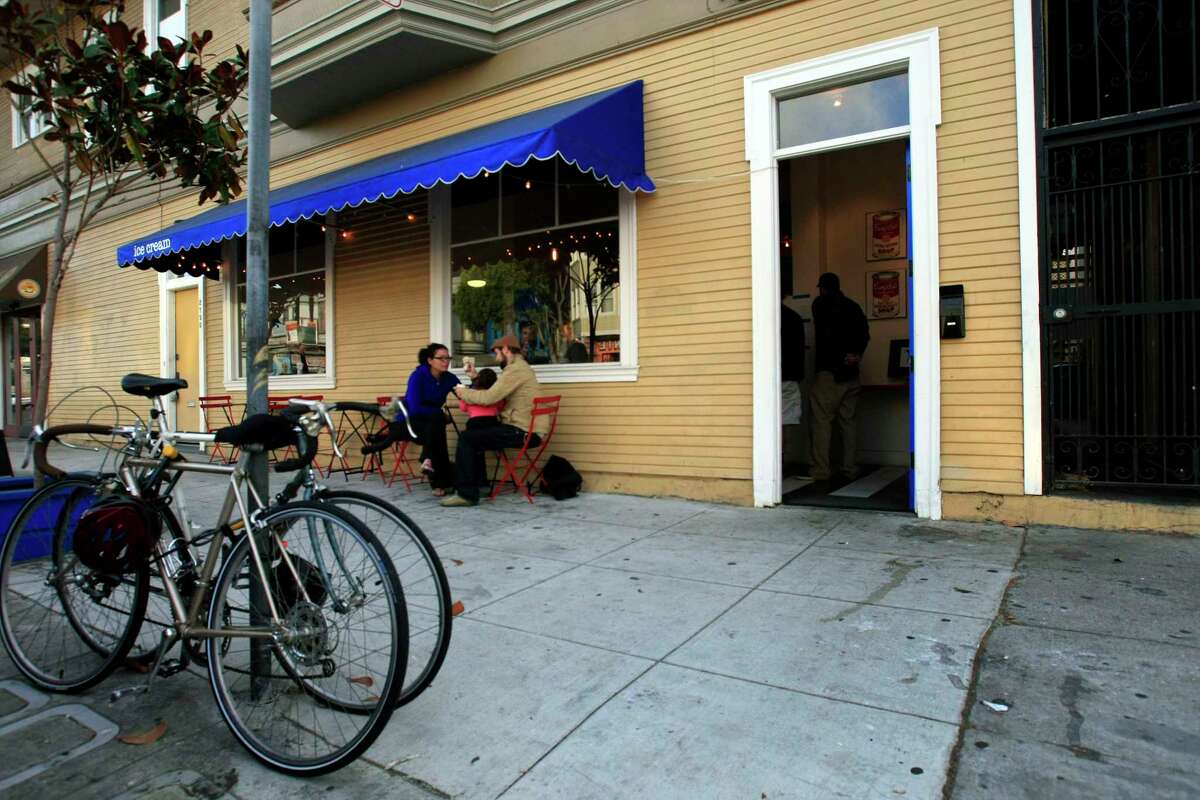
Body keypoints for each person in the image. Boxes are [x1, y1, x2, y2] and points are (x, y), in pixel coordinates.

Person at [441, 334, 549, 507]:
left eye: (497, 353)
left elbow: (489, 397)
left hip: (523, 432)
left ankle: (466, 494)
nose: (496, 358)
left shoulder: (515, 370)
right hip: (525, 429)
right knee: (474, 435)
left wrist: (462, 392)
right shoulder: (519, 368)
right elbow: (495, 391)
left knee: (467, 439)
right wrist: (475, 378)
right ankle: (481, 485)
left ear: (506, 349)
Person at [809, 272, 869, 481]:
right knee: (849, 422)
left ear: (823, 288)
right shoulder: (853, 307)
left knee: (822, 421)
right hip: (851, 373)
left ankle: (822, 469)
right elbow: (865, 333)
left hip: (829, 372)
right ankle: (849, 467)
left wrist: (838, 357)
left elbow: (827, 335)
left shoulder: (820, 305)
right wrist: (856, 354)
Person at [403, 342, 460, 497]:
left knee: (436, 430)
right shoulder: (418, 377)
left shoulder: (449, 378)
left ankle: (429, 461)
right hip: (412, 422)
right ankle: (438, 479)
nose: (446, 361)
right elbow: (414, 408)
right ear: (429, 360)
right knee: (437, 426)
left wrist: (475, 379)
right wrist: (439, 414)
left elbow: (464, 395)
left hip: (433, 423)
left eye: (448, 358)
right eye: (441, 358)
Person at [780, 302, 806, 462]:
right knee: (785, 422)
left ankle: (773, 462)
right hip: (789, 376)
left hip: (764, 376)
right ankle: (783, 458)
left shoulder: (760, 313)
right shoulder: (793, 317)